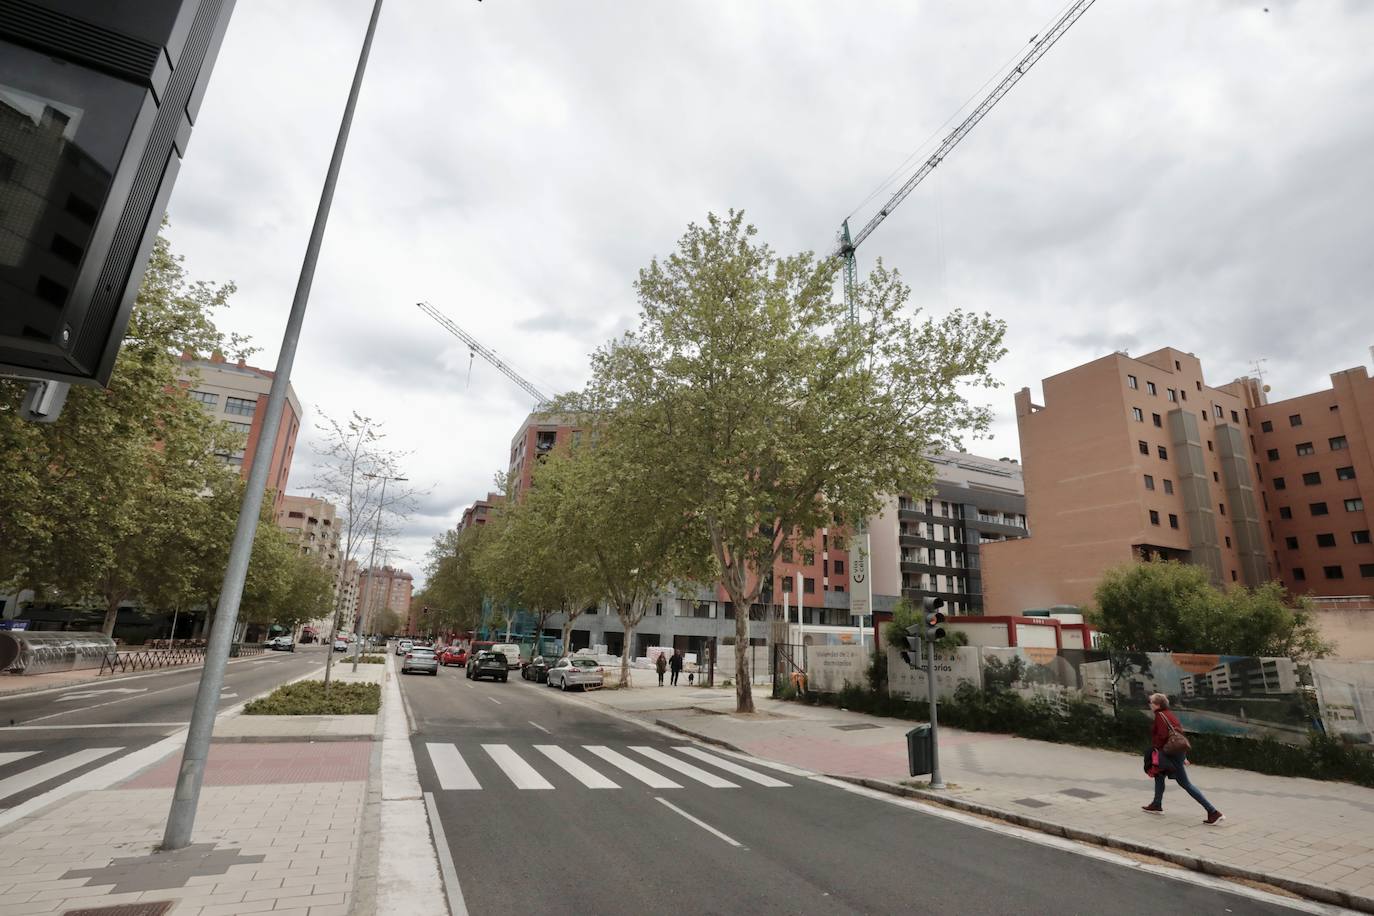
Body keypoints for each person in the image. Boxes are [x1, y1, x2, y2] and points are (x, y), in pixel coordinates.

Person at [1143, 692, 1224, 825]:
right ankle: (1156, 804)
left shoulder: (1159, 715)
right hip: (1175, 752)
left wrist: (1156, 749)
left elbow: (1163, 736)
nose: (1149, 704)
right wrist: (1183, 756)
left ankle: (1213, 812)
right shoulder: (1169, 714)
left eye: (1150, 702)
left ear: (1157, 705)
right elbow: (1178, 735)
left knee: (1185, 783)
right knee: (1159, 774)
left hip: (1170, 753)